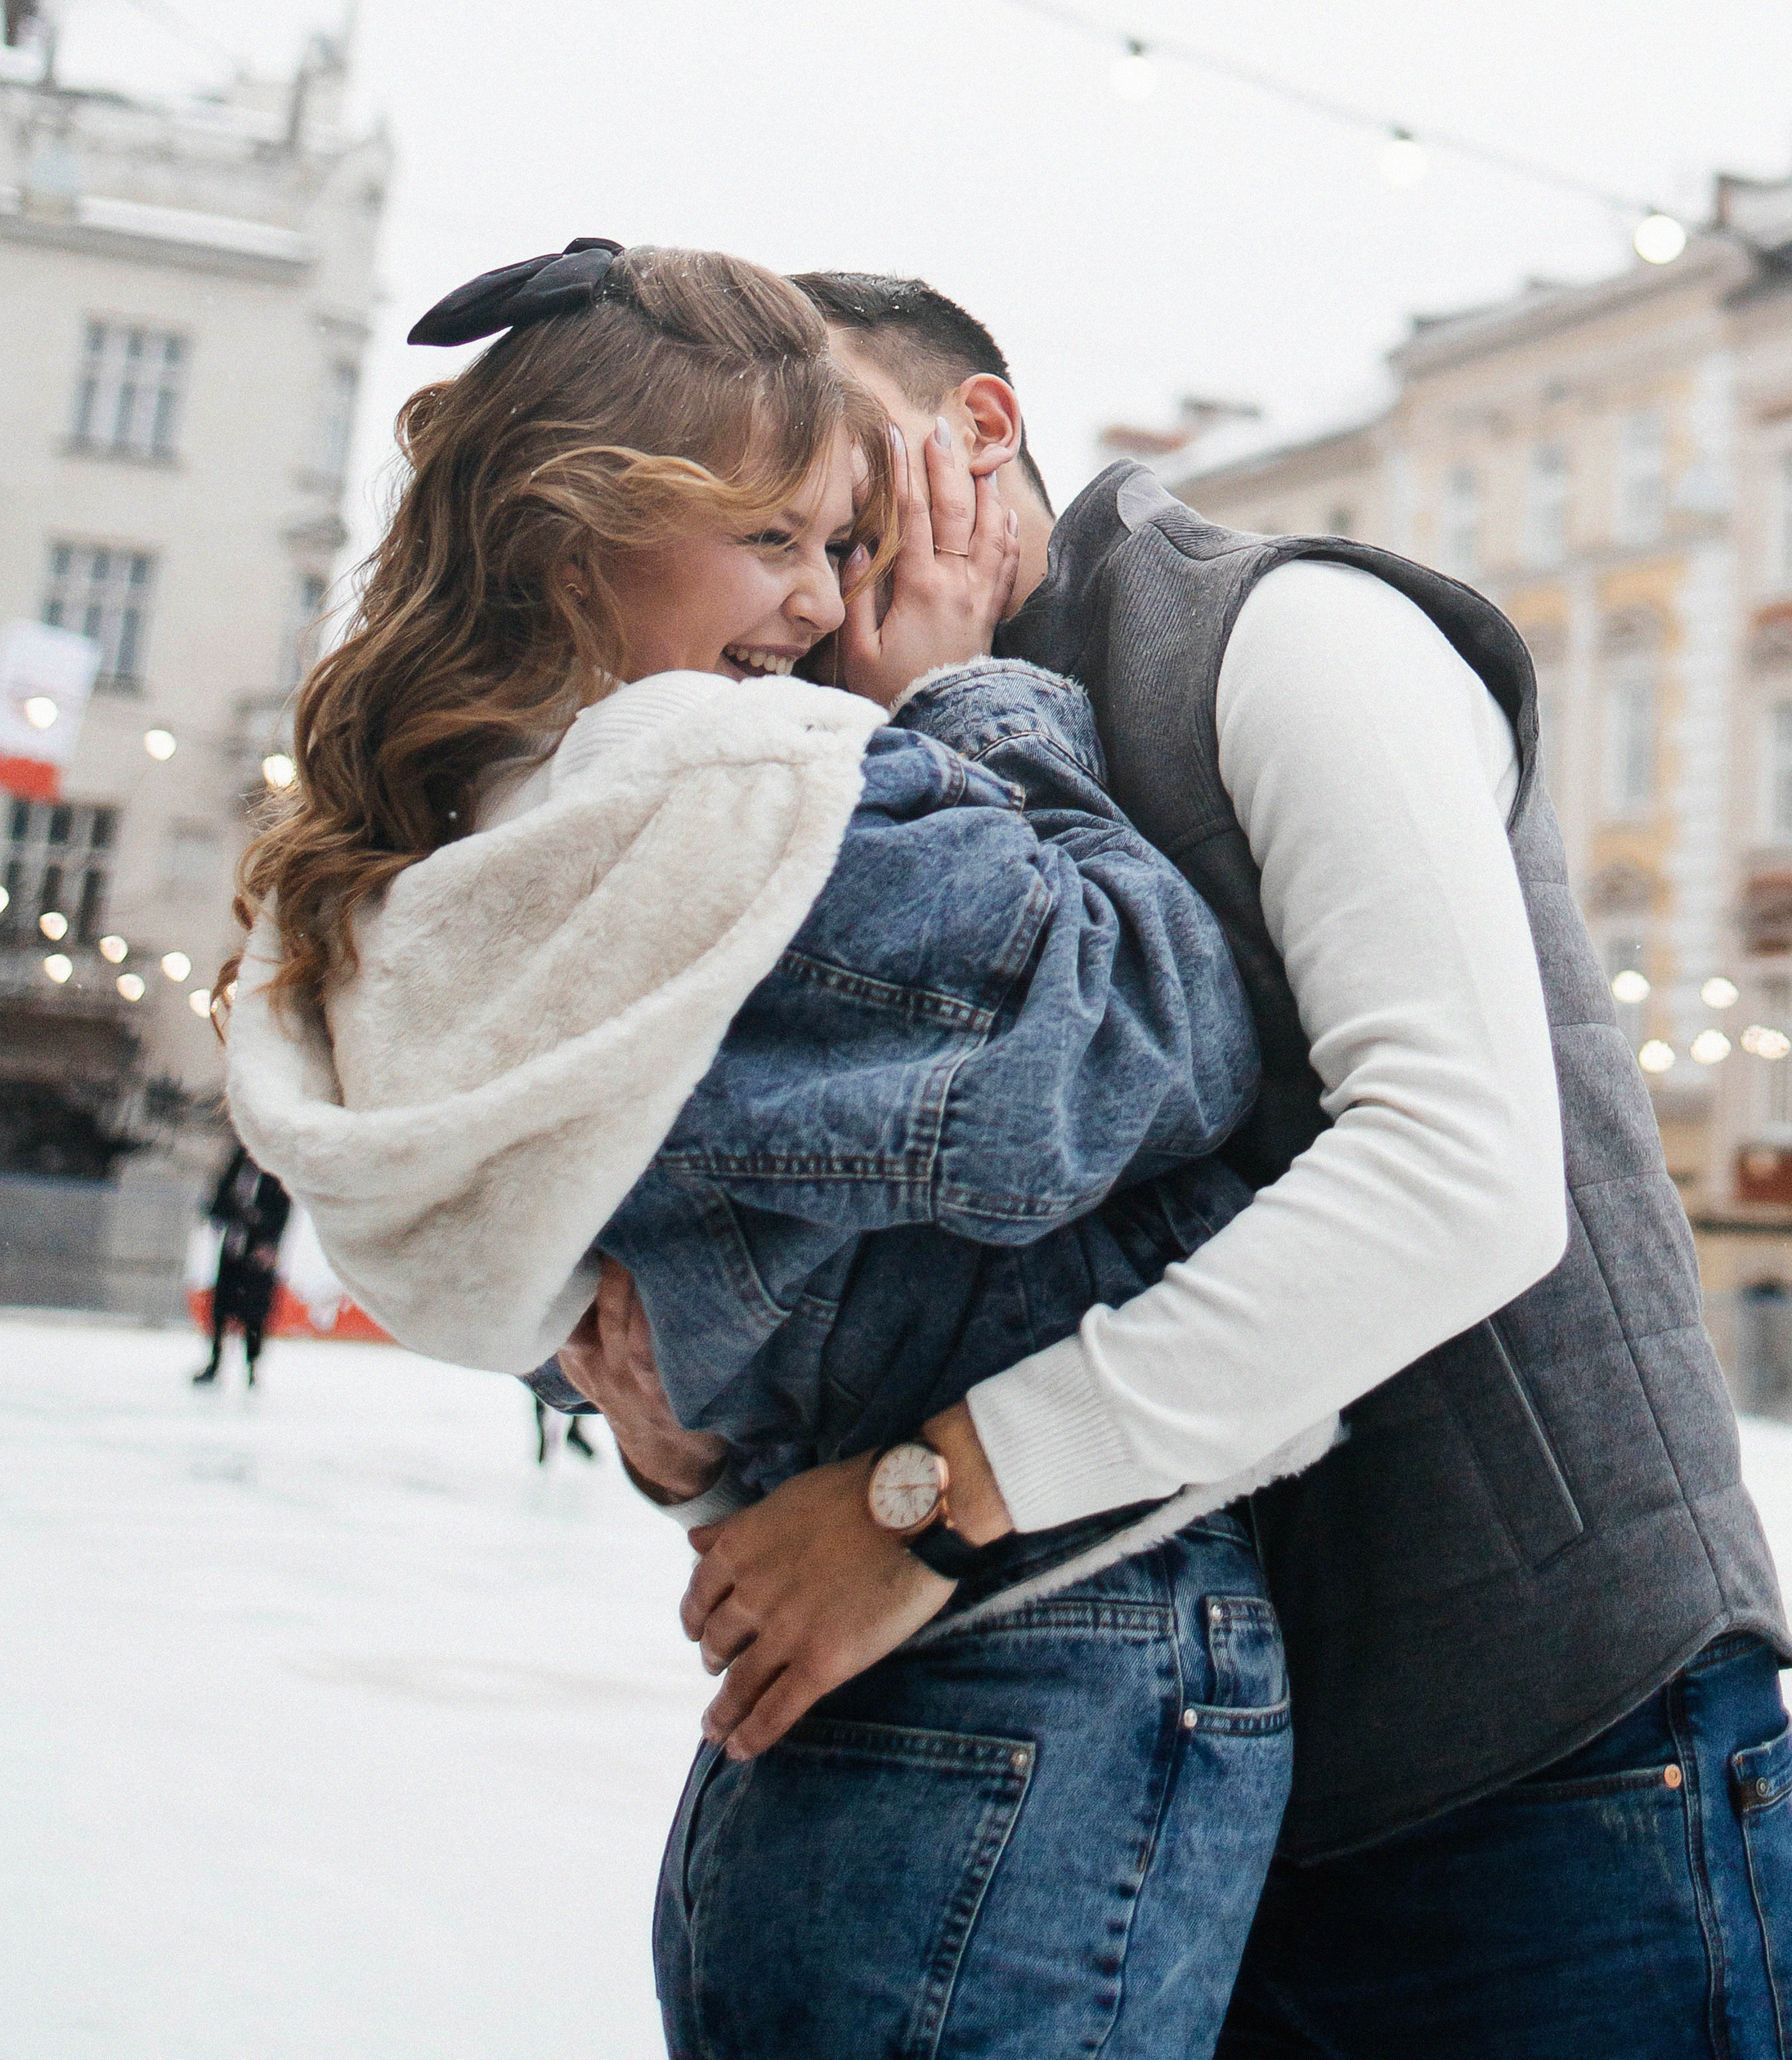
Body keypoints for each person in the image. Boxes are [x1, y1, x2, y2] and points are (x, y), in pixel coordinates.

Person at [596, 271, 1792, 2060]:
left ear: (979, 433)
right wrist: (677, 1414)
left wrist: (913, 1506)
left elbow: (1459, 1175)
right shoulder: (858, 769)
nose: (806, 575)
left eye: (839, 499)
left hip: (1544, 1748)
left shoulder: (1280, 632)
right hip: (1170, 1766)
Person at [221, 242, 1296, 2060]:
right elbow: (1157, 1038)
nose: (824, 608)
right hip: (1043, 1647)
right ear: (581, 536)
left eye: (843, 548)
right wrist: (963, 699)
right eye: (780, 540)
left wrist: (682, 1441)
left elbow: (676, 1294)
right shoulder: (744, 809)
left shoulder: (484, 853)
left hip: (842, 1680)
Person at [191, 1141, 290, 1387]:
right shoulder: (237, 1164)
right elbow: (217, 1201)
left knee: (255, 1312)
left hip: (258, 1251)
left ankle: (251, 1368)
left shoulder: (276, 1172)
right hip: (233, 1246)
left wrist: (270, 1242)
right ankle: (215, 1363)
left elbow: (282, 1210)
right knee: (221, 1307)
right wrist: (233, 1214)